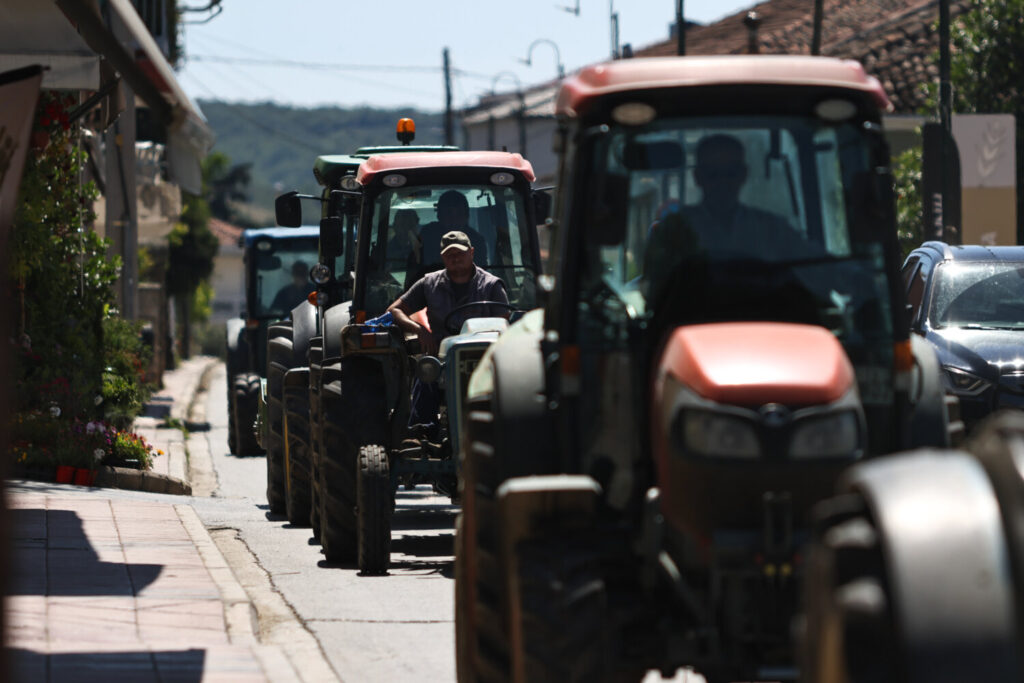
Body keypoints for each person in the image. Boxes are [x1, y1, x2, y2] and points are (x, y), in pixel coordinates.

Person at [645, 133, 807, 292]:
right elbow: (657, 294)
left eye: (730, 173)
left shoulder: (773, 230)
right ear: (698, 177)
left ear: (743, 174)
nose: (722, 182)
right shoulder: (672, 231)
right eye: (712, 174)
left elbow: (815, 272)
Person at [387, 230, 508, 433]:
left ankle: (506, 428)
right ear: (442, 257)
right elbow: (394, 310)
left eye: (460, 253)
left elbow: (503, 324)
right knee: (426, 371)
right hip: (444, 361)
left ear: (471, 252)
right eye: (450, 254)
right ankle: (421, 431)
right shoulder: (429, 283)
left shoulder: (492, 285)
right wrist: (420, 330)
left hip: (485, 359)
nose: (455, 258)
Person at [416, 190, 489, 272]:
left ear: (466, 216)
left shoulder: (477, 241)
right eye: (448, 213)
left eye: (459, 214)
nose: (453, 219)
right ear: (439, 215)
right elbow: (415, 268)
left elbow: (482, 273)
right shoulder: (428, 235)